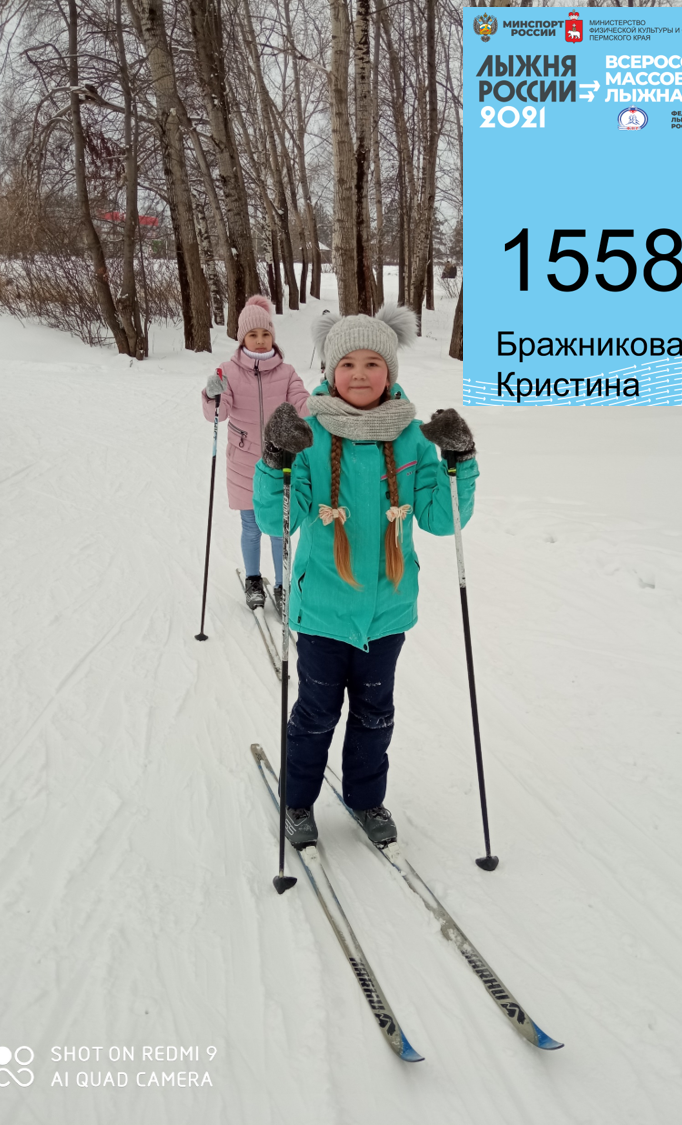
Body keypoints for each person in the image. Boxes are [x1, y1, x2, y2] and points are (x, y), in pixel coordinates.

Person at [253, 305, 478, 848]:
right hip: (323, 611)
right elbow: (277, 521)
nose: (359, 374)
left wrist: (460, 460)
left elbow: (442, 519)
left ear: (390, 371)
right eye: (348, 363)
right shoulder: (308, 434)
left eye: (373, 363)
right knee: (316, 713)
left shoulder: (413, 438)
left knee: (376, 714)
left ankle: (365, 798)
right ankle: (298, 802)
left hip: (387, 612)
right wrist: (275, 460)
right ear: (330, 371)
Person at [202, 296, 309, 612]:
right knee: (251, 527)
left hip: (279, 463)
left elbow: (302, 404)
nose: (260, 340)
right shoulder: (228, 371)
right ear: (242, 338)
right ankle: (253, 579)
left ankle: (282, 584)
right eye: (253, 335)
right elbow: (219, 413)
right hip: (243, 463)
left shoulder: (287, 372)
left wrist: (319, 404)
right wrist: (212, 394)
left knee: (278, 529)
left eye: (265, 334)